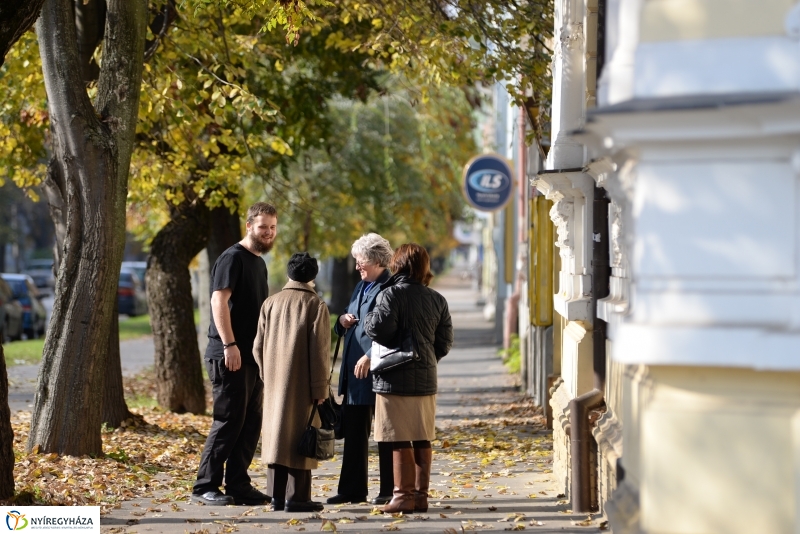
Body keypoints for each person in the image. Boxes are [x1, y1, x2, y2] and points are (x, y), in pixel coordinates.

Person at [191, 202, 278, 506]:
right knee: (228, 420)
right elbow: (218, 302)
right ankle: (204, 486)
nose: (267, 233)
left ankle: (238, 484)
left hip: (252, 356)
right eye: (262, 226)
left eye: (272, 227)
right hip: (229, 353)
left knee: (251, 420)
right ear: (249, 226)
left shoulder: (259, 262)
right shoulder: (232, 258)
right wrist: (230, 345)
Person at [364, 243, 453, 514]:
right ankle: (420, 497)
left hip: (394, 380)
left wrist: (368, 318)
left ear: (398, 264)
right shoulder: (437, 299)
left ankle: (402, 496)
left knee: (399, 437)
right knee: (422, 436)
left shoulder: (391, 294)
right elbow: (445, 343)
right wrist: (425, 359)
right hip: (426, 380)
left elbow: (380, 330)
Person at [253, 253, 331, 513]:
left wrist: (267, 374)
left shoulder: (270, 303)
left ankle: (275, 496)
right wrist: (321, 389)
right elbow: (320, 353)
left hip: (274, 384)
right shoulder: (316, 305)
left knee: (277, 436)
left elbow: (257, 347)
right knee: (301, 436)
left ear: (289, 273)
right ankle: (297, 498)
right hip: (303, 386)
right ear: (313, 276)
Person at [327, 234, 394, 505]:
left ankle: (390, 489)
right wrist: (341, 320)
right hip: (354, 374)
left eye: (361, 261)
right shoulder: (361, 286)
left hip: (378, 372)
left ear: (377, 260)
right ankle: (352, 490)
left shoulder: (389, 288)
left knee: (385, 434)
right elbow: (347, 315)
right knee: (355, 434)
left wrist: (370, 355)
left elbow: (391, 330)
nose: (357, 266)